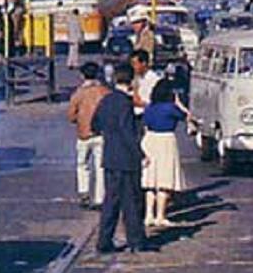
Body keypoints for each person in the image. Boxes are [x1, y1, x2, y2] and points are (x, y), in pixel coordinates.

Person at [91, 63, 148, 253]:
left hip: (110, 158)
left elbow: (94, 124)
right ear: (131, 81)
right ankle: (136, 241)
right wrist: (140, 154)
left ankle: (104, 241)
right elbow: (127, 132)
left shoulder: (106, 100)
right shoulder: (125, 103)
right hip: (126, 160)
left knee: (111, 202)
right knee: (131, 203)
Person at [141, 79, 188, 227]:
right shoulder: (171, 108)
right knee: (164, 181)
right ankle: (160, 215)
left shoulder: (150, 107)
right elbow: (187, 116)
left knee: (150, 182)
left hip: (149, 140)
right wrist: (179, 103)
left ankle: (149, 215)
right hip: (166, 141)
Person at [67, 62, 110, 209]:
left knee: (82, 165)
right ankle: (99, 198)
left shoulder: (78, 93)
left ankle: (84, 193)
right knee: (100, 167)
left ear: (82, 75)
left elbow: (71, 116)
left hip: (83, 134)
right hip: (102, 134)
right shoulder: (104, 91)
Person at [129, 49, 161, 117]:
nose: (133, 67)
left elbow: (146, 103)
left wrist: (135, 89)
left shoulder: (154, 80)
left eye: (135, 64)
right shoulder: (137, 78)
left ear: (144, 63)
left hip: (145, 114)